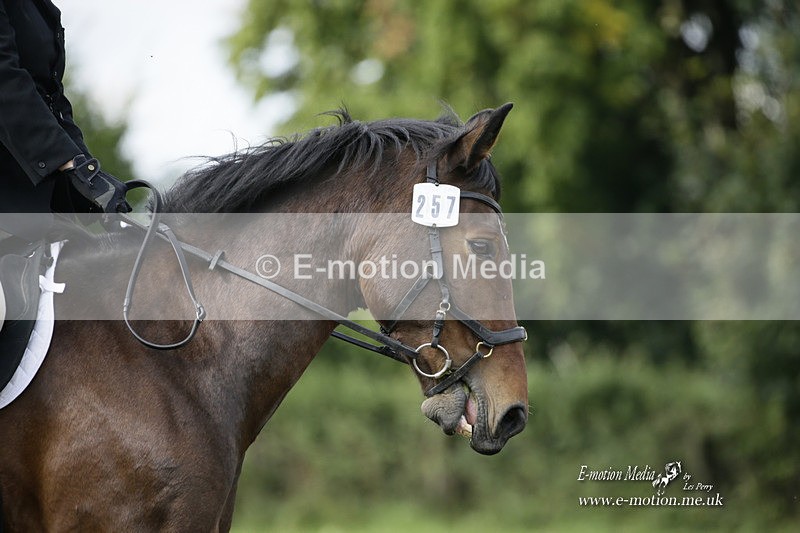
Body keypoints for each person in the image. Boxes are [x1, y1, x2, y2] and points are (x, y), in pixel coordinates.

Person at [0, 0, 131, 333]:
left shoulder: (38, 8)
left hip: (33, 210)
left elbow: (52, 100)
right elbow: (4, 81)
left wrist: (89, 176)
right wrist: (66, 161)